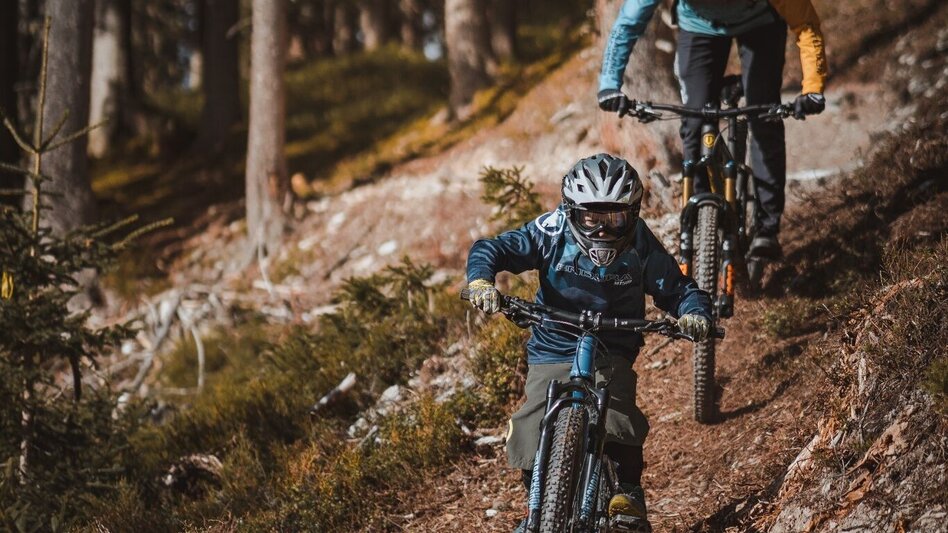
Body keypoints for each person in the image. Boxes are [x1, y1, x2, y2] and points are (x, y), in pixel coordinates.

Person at [465, 153, 713, 532]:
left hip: (612, 344)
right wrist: (482, 280)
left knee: (618, 410)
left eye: (614, 218)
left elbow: (677, 287)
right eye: (590, 218)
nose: (601, 230)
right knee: (530, 422)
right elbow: (493, 247)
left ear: (632, 213)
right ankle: (537, 506)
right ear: (570, 211)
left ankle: (627, 490)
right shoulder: (550, 230)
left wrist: (693, 311)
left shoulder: (640, 242)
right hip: (553, 341)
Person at [598, 0, 828, 259]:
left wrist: (813, 88)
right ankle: (703, 216)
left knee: (764, 117)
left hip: (762, 24)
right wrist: (609, 84)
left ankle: (766, 228)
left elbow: (806, 24)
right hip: (698, 28)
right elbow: (627, 24)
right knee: (694, 123)